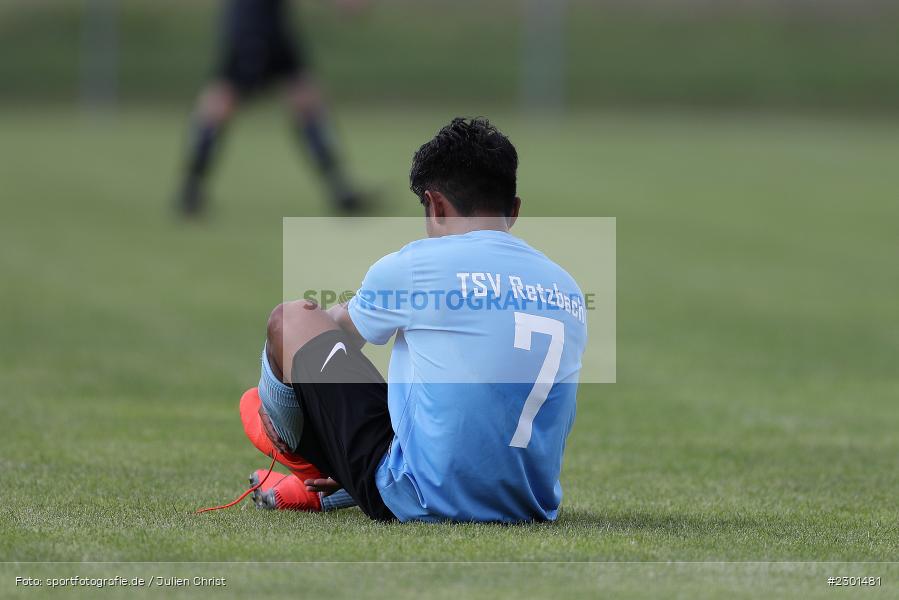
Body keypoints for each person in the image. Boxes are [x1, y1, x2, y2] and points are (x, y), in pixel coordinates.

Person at [235, 118, 588, 522]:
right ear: (516, 209)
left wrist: (280, 398)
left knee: (291, 319)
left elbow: (328, 333)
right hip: (529, 504)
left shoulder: (419, 264)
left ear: (435, 205)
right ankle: (336, 482)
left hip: (421, 496)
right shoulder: (567, 286)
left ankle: (296, 454)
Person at [176, 0, 368, 216]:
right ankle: (189, 192)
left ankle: (341, 191)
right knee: (221, 102)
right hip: (253, 23)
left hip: (271, 24)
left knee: (306, 100)